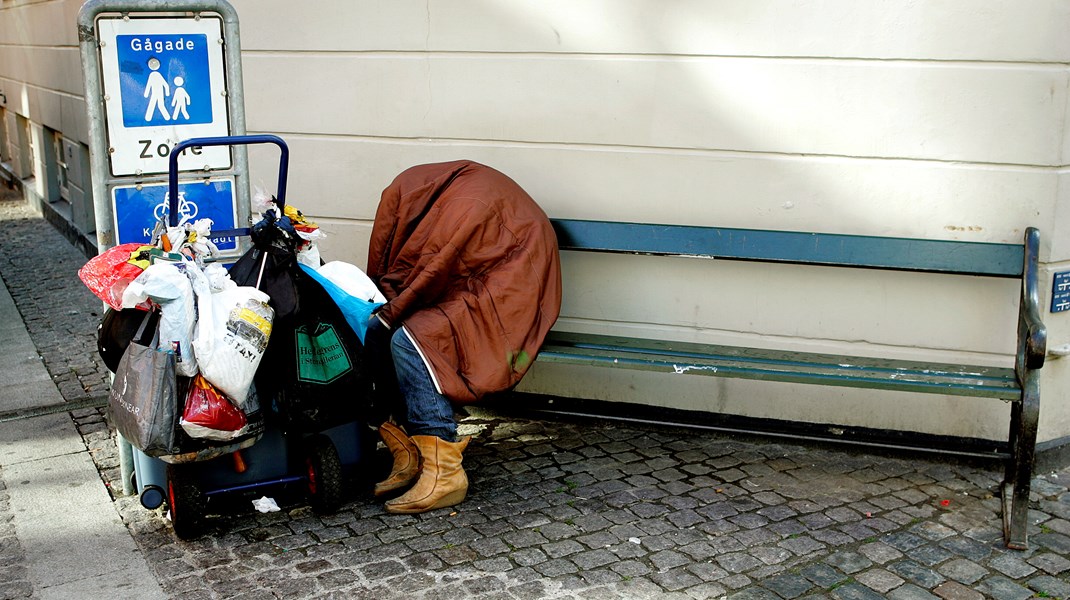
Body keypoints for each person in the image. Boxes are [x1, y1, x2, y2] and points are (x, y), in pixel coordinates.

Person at [365, 160, 562, 514]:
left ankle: (445, 471)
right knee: (388, 330)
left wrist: (389, 314)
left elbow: (431, 271)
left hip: (513, 289)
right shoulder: (447, 195)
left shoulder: (461, 205)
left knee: (412, 340)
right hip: (485, 281)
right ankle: (411, 451)